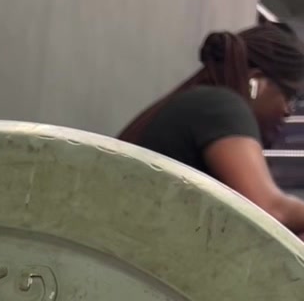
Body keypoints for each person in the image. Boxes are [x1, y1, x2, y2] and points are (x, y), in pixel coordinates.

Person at [118, 23, 304, 234]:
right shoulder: (220, 106)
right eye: (290, 96)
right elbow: (270, 210)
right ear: (256, 83)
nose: (288, 111)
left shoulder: (196, 102)